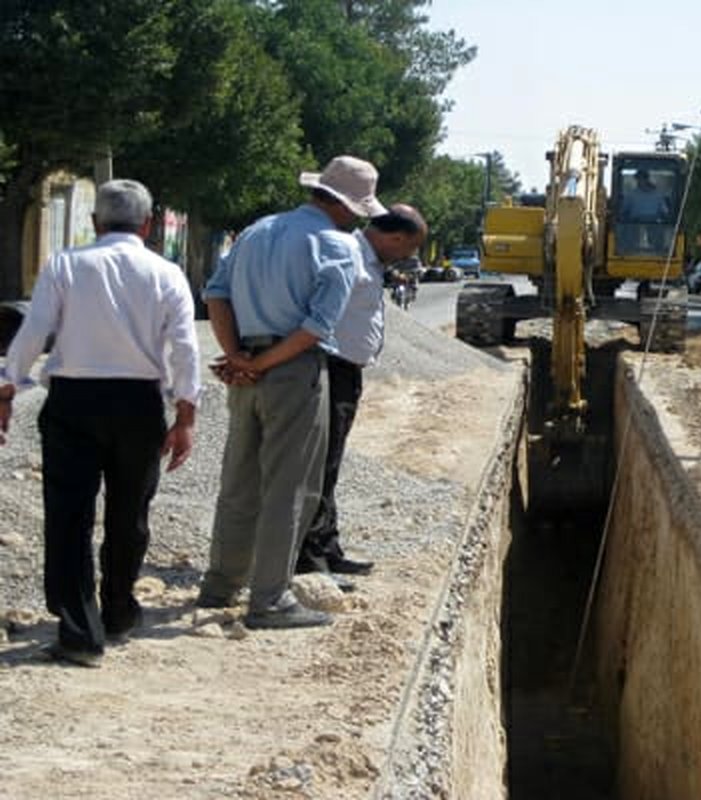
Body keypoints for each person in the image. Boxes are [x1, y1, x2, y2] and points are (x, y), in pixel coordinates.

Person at [0, 179, 200, 667]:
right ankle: (118, 610)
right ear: (148, 225)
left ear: (95, 223)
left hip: (73, 402)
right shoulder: (166, 273)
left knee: (69, 517)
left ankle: (78, 632)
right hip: (139, 405)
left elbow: (34, 331)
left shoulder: (67, 265)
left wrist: (8, 386)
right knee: (129, 513)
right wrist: (186, 415)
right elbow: (185, 347)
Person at [197, 155, 384, 630]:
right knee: (291, 487)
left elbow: (215, 293)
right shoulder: (337, 246)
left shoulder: (259, 230)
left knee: (238, 481)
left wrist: (238, 356)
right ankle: (270, 599)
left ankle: (220, 584)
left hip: (247, 370)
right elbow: (315, 327)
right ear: (349, 205)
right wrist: (260, 363)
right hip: (293, 371)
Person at [295, 204, 427, 588]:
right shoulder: (349, 254)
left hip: (346, 370)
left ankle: (327, 548)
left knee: (331, 465)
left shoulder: (369, 261)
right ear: (395, 238)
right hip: (331, 368)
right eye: (408, 249)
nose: (407, 257)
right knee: (322, 464)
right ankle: (310, 561)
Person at [619, 168, 671, 252]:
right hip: (634, 226)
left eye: (641, 178)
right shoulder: (631, 194)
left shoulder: (658, 194)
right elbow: (623, 211)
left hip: (654, 225)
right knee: (628, 231)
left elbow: (665, 212)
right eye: (638, 179)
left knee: (657, 231)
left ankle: (658, 251)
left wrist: (663, 218)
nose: (639, 181)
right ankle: (629, 250)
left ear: (646, 179)